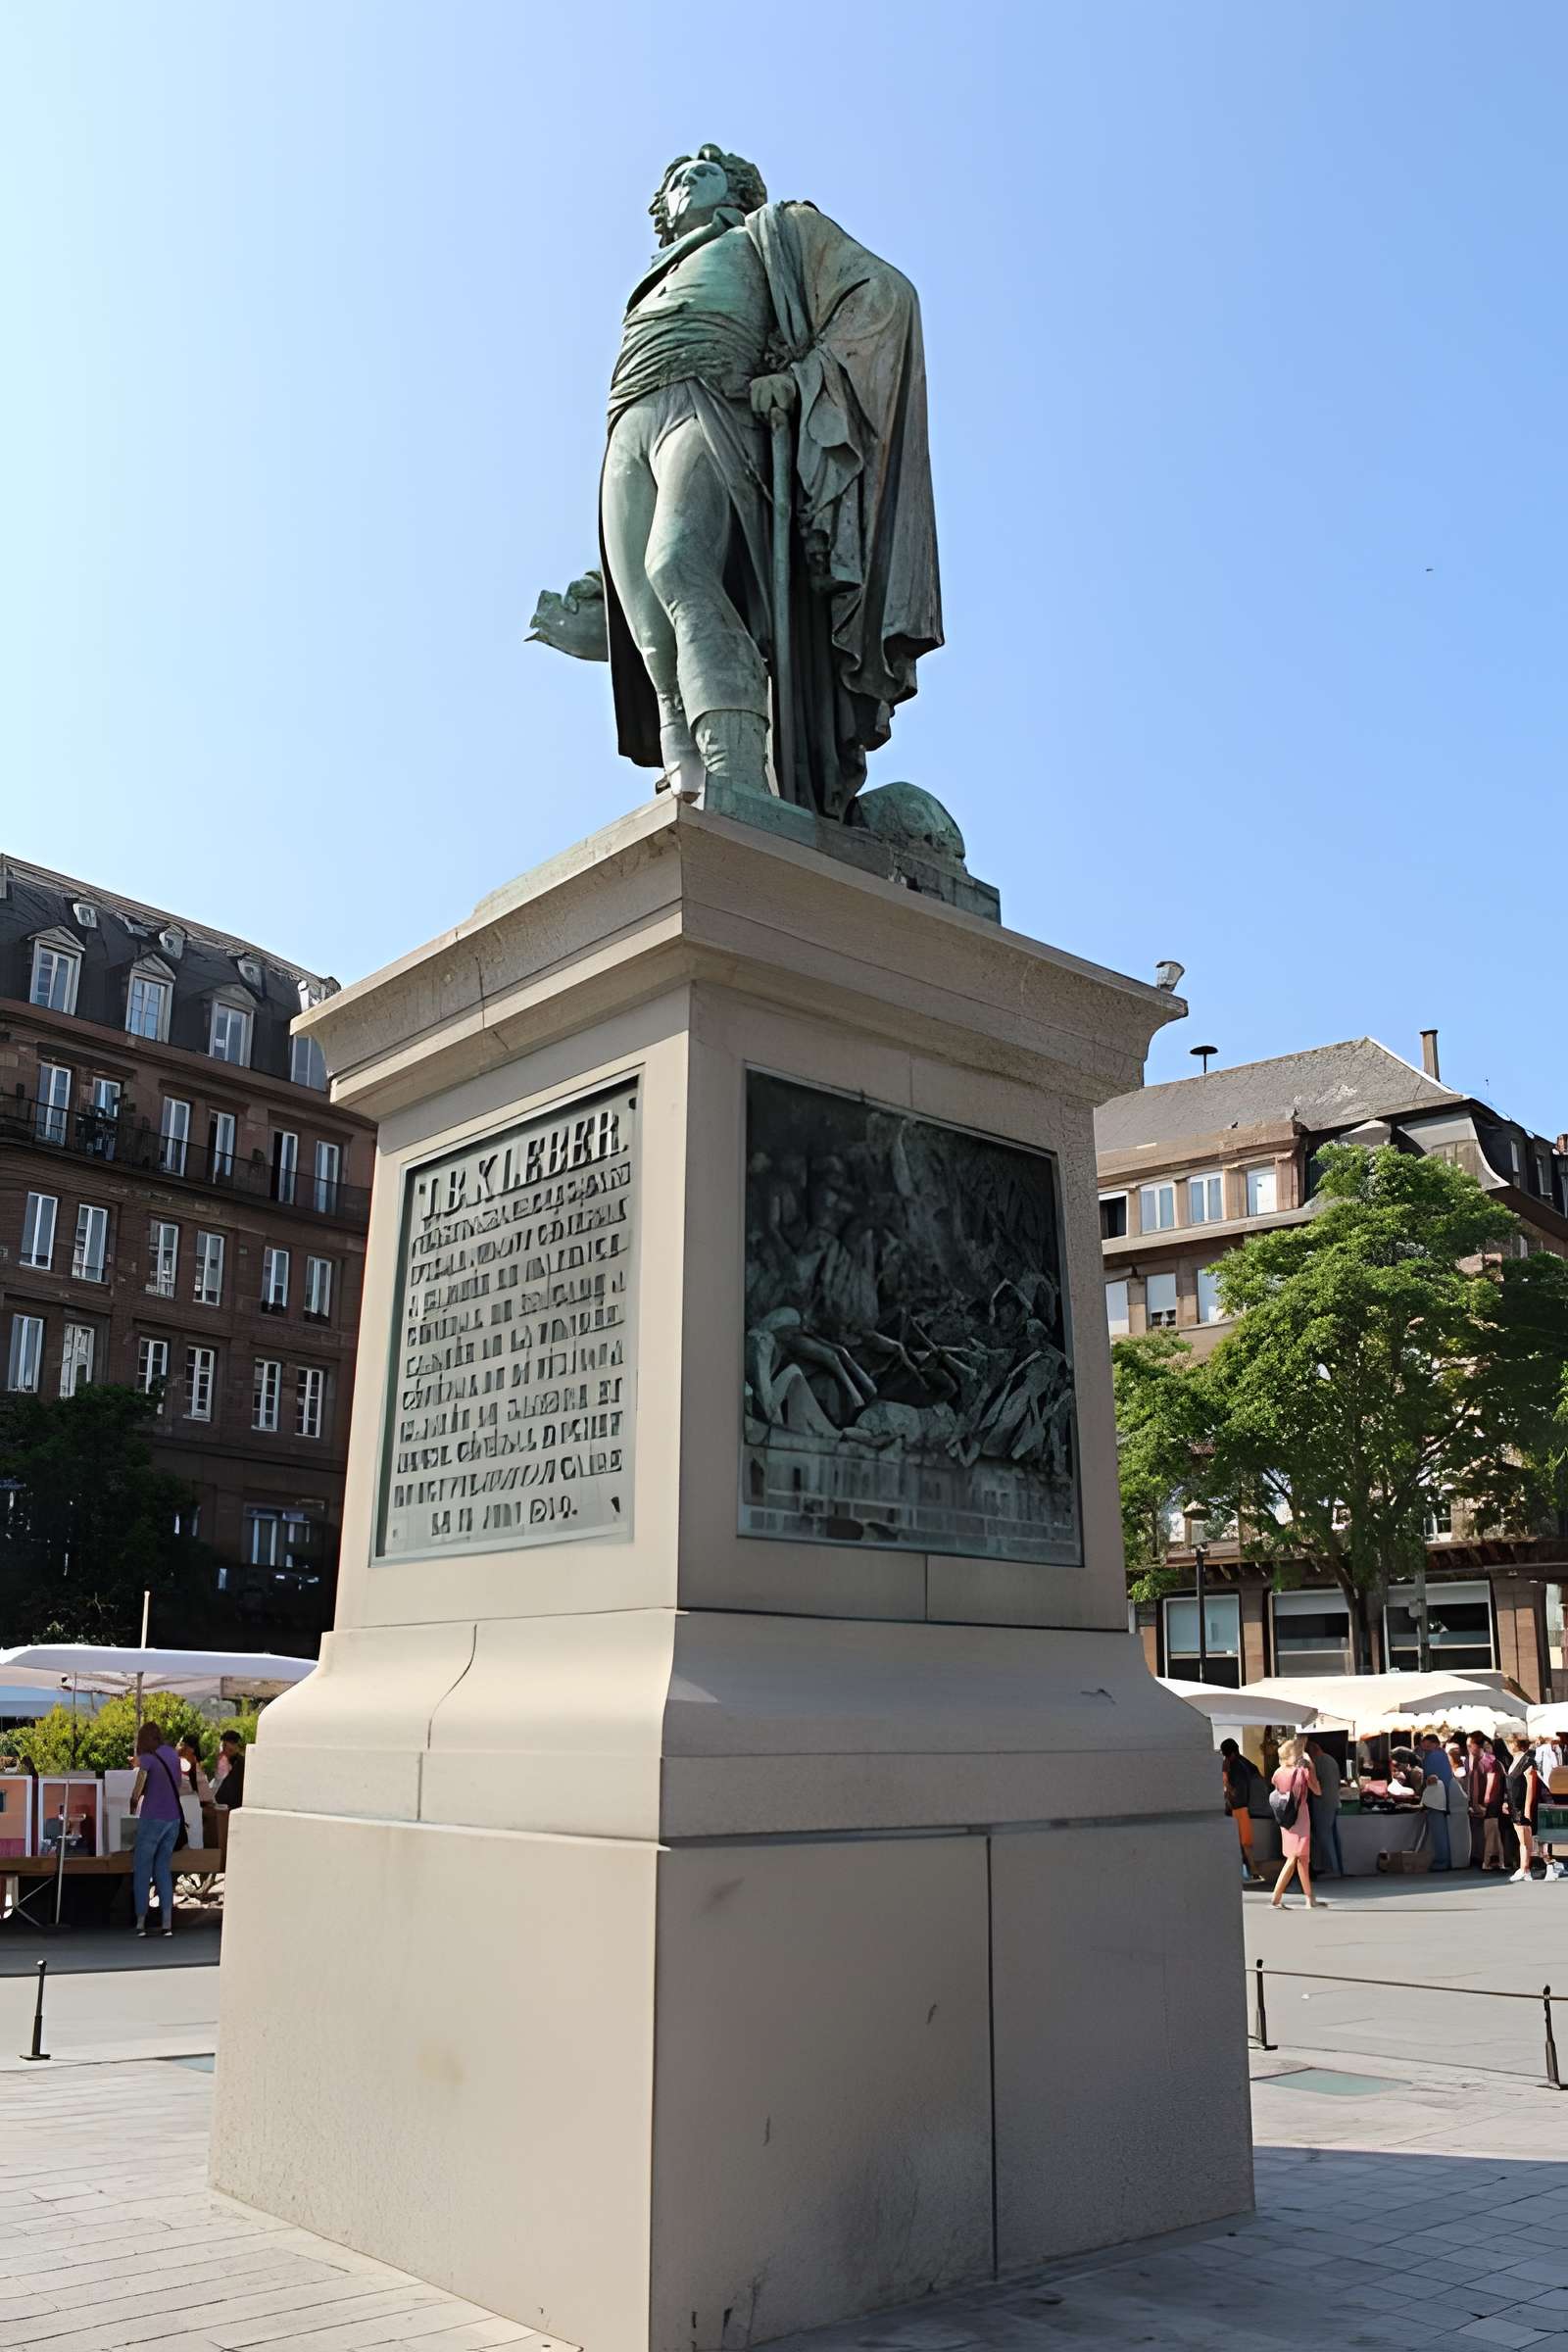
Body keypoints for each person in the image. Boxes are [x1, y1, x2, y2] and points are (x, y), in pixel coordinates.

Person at [129, 1721, 184, 1937]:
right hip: (174, 1820)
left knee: (143, 1868)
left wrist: (133, 1802)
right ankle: (167, 1922)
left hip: (152, 1818)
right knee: (163, 1868)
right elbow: (178, 1783)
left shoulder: (148, 1758)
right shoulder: (172, 1755)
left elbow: (138, 1787)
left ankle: (141, 1921)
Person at [1269, 1736, 1321, 1910]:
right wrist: (1310, 1767)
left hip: (1286, 1817)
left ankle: (1309, 1898)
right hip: (1300, 1816)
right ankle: (1276, 1897)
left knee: (1302, 1859)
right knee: (1296, 1857)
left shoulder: (1277, 1773)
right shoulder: (1301, 1772)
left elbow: (1277, 1786)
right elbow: (1317, 1790)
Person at [1220, 1740, 1268, 1883]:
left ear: (1230, 1755)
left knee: (1243, 1842)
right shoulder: (1246, 1764)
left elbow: (1236, 1792)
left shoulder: (1235, 1767)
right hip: (1251, 1807)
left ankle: (1251, 1870)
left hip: (1240, 1808)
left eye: (1225, 1755)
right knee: (1244, 1842)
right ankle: (1251, 1870)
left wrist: (1226, 1782)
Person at [1504, 1735, 1542, 1884]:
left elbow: (1531, 1786)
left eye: (1508, 1743)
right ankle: (1523, 1868)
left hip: (1523, 1805)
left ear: (1514, 1744)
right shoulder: (1514, 1760)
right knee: (1521, 1839)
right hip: (1514, 1803)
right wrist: (1506, 1801)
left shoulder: (1527, 1761)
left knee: (1525, 1838)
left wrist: (1527, 1808)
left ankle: (1525, 1868)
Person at [1306, 1737, 1344, 1878]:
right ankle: (1337, 1867)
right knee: (1332, 1836)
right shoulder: (1332, 1760)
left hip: (1321, 1802)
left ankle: (1327, 1867)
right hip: (1333, 1801)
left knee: (1322, 1836)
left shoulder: (1317, 1763)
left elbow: (1314, 1783)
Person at [1417, 1733, 1452, 1871]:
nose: (1424, 1747)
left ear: (1434, 1744)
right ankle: (1443, 1859)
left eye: (1427, 1744)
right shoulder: (1441, 1755)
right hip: (1442, 1798)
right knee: (1441, 1830)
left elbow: (1431, 1778)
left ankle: (1442, 1861)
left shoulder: (1434, 1757)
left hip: (1436, 1799)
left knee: (1439, 1831)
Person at [1444, 1741, 1473, 1870]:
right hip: (1458, 1809)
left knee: (1460, 1837)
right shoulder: (1455, 1771)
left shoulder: (1460, 1772)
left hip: (1459, 1808)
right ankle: (1460, 1860)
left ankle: (1461, 1860)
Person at [214, 1730, 247, 1811]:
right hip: (223, 1806)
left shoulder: (241, 1763)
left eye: (226, 1746)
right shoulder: (224, 1760)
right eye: (223, 1746)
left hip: (234, 1807)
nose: (224, 1749)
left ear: (235, 1745)